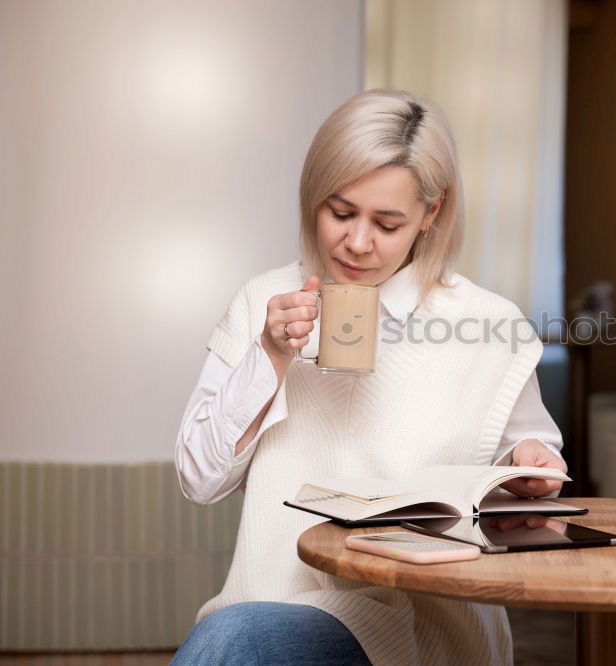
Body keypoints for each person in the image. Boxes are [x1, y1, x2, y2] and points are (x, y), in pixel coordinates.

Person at [172, 88, 566, 665]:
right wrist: (270, 356)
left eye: (387, 222)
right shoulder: (265, 300)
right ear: (313, 196)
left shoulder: (489, 325)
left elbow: (527, 468)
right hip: (276, 614)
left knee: (233, 642)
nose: (357, 243)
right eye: (340, 212)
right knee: (236, 638)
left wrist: (528, 472)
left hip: (426, 624)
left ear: (431, 214)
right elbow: (198, 480)